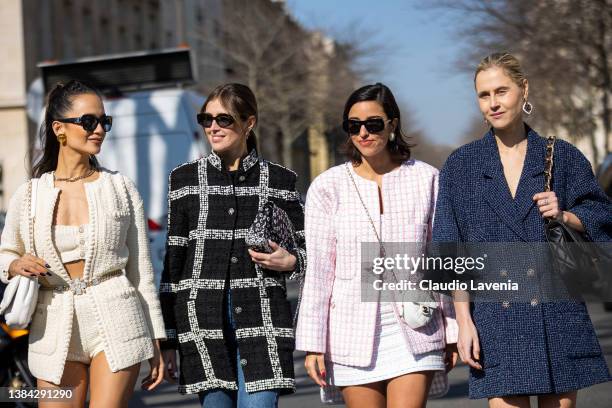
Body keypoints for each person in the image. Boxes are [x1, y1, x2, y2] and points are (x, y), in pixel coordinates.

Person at [433, 52, 612, 408]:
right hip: (494, 319)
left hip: (557, 314)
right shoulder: (461, 166)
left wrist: (565, 215)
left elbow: (601, 216)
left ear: (523, 90)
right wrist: (463, 323)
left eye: (502, 91)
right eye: (484, 95)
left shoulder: (562, 156)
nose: (494, 103)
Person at [0, 80, 166, 408]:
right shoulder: (30, 195)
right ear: (59, 129)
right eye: (89, 121)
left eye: (105, 121)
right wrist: (16, 264)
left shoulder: (120, 188)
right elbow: (6, 253)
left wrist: (156, 337)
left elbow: (141, 273)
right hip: (52, 323)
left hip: (117, 315)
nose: (99, 130)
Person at [296, 83, 459, 408]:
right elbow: (319, 270)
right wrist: (313, 343)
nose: (363, 133)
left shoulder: (426, 179)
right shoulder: (328, 187)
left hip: (417, 326)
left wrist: (452, 329)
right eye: (353, 125)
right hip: (350, 333)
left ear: (392, 124)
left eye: (373, 124)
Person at [159, 83, 306, 408]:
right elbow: (174, 262)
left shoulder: (280, 181)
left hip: (264, 314)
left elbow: (309, 251)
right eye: (206, 118)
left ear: (248, 123)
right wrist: (168, 338)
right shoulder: (184, 180)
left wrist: (292, 262)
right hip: (201, 319)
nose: (213, 126)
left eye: (223, 119)